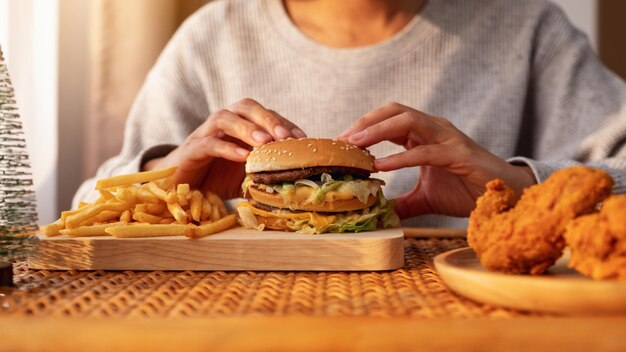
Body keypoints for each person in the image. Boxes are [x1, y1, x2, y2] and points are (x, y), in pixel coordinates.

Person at [74, 0, 626, 228]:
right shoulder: (212, 35)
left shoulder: (528, 27)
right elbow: (77, 214)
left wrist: (519, 183)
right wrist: (168, 175)